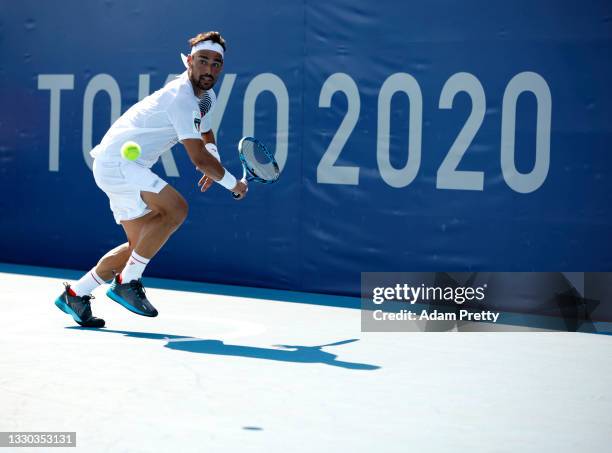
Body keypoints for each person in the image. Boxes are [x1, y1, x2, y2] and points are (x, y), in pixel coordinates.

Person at [54, 31, 246, 327]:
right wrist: (234, 184)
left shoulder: (205, 97)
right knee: (177, 209)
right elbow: (197, 159)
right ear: (190, 62)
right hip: (119, 162)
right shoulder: (180, 98)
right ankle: (126, 283)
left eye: (216, 64)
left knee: (138, 246)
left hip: (116, 164)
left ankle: (76, 294)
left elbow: (205, 133)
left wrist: (214, 160)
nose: (209, 69)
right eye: (203, 61)